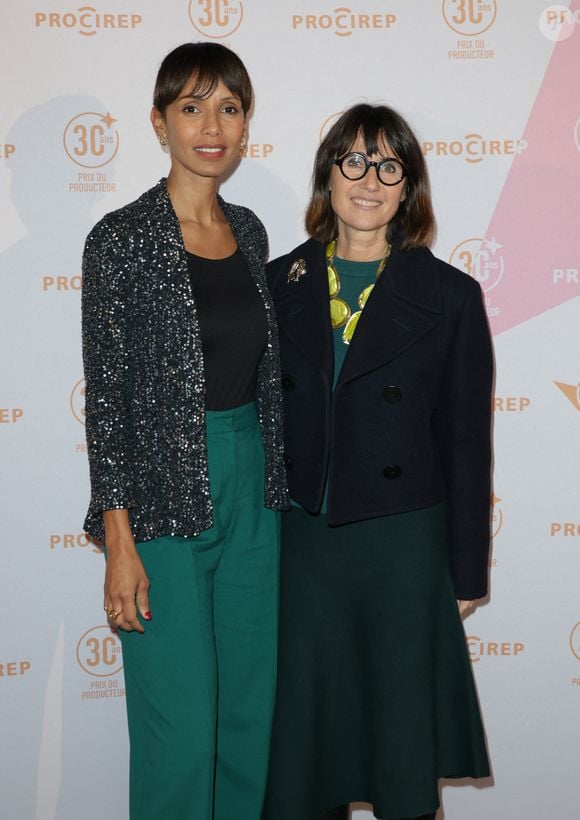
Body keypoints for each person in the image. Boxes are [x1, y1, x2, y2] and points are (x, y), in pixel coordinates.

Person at [262, 104, 493, 820]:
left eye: (389, 165)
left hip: (402, 547)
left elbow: (465, 443)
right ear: (328, 175)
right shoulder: (274, 284)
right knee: (305, 759)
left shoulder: (452, 296)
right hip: (302, 548)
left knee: (400, 754)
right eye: (354, 161)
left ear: (408, 187)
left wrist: (464, 570)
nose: (370, 180)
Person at [81, 42, 288, 820]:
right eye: (192, 107)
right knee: (181, 737)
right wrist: (119, 540)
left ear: (245, 126)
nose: (212, 125)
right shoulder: (120, 239)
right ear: (159, 122)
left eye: (228, 108)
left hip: (255, 498)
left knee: (247, 727)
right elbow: (107, 402)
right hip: (160, 505)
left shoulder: (254, 232)